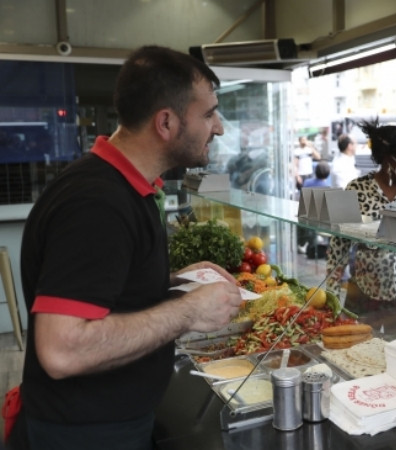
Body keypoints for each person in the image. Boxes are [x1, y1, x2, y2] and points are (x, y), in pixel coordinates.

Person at [9, 46, 243, 450]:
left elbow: (104, 288)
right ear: (166, 122)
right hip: (84, 434)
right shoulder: (97, 204)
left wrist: (172, 280)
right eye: (208, 114)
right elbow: (61, 349)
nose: (218, 128)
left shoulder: (122, 187)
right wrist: (188, 310)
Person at [325, 118, 396, 321]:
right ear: (386, 156)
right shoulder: (354, 188)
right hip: (366, 288)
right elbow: (337, 246)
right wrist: (331, 294)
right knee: (361, 347)